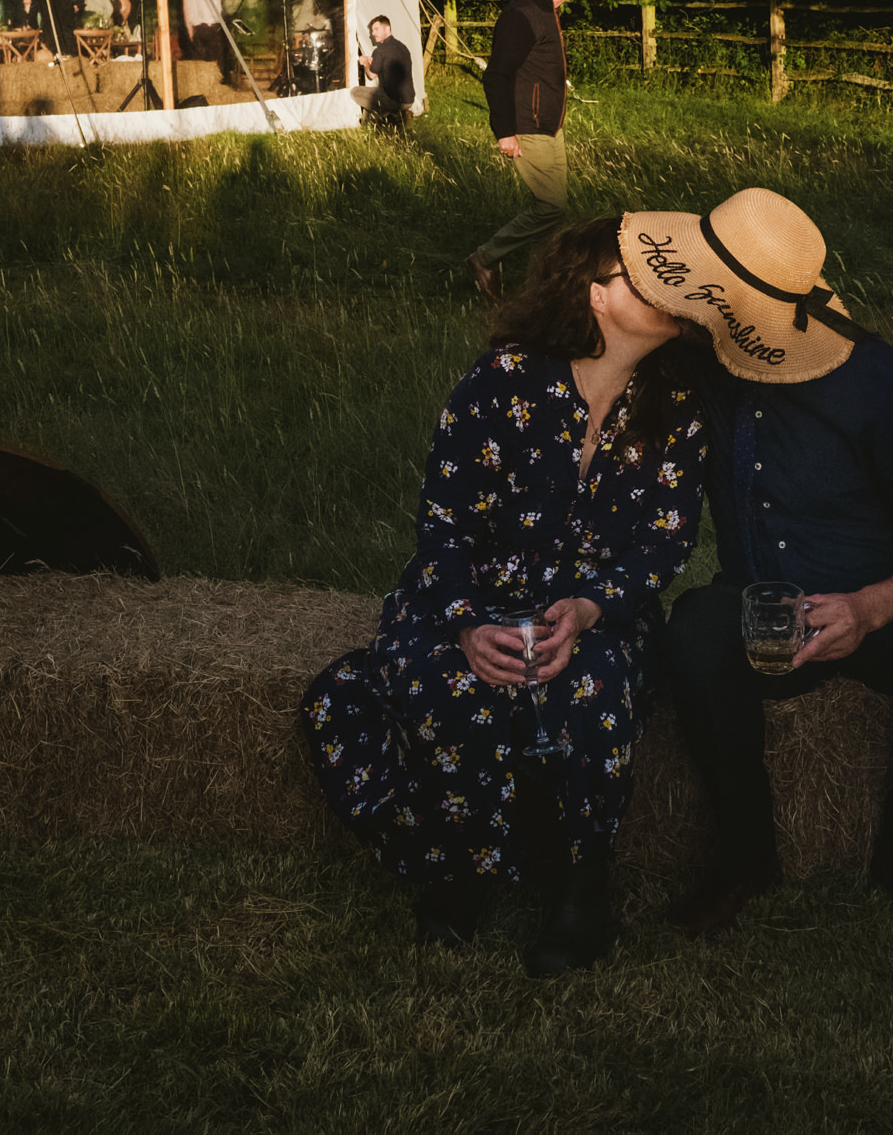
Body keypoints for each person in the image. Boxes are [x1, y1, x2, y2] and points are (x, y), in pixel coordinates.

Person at [301, 216, 708, 977]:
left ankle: (583, 886)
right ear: (596, 296)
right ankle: (456, 864)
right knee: (456, 687)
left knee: (590, 689)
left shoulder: (675, 403)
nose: (664, 294)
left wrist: (591, 606)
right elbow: (444, 526)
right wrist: (464, 624)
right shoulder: (501, 383)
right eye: (641, 280)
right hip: (472, 596)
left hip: (593, 604)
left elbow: (666, 543)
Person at [615, 187, 893, 942]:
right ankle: (744, 859)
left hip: (881, 607)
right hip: (760, 602)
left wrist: (871, 608)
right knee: (694, 638)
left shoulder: (883, 386)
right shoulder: (704, 361)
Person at [466, 0, 577, 301]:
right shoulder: (522, 14)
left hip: (549, 126)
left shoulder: (547, 12)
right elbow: (496, 75)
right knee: (550, 207)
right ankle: (484, 258)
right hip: (527, 126)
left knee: (554, 215)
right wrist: (505, 132)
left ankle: (541, 290)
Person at [351, 15, 415, 129]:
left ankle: (390, 116)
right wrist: (372, 62)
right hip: (409, 99)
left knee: (356, 92)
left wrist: (365, 62)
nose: (373, 33)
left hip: (394, 100)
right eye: (372, 30)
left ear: (387, 29)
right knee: (375, 96)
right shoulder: (403, 47)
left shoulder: (380, 50)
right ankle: (395, 115)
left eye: (376, 29)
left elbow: (371, 75)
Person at [180, 0, 246, 66]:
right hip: (213, 28)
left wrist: (189, 28)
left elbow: (185, 8)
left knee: (200, 64)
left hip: (197, 29)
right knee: (216, 64)